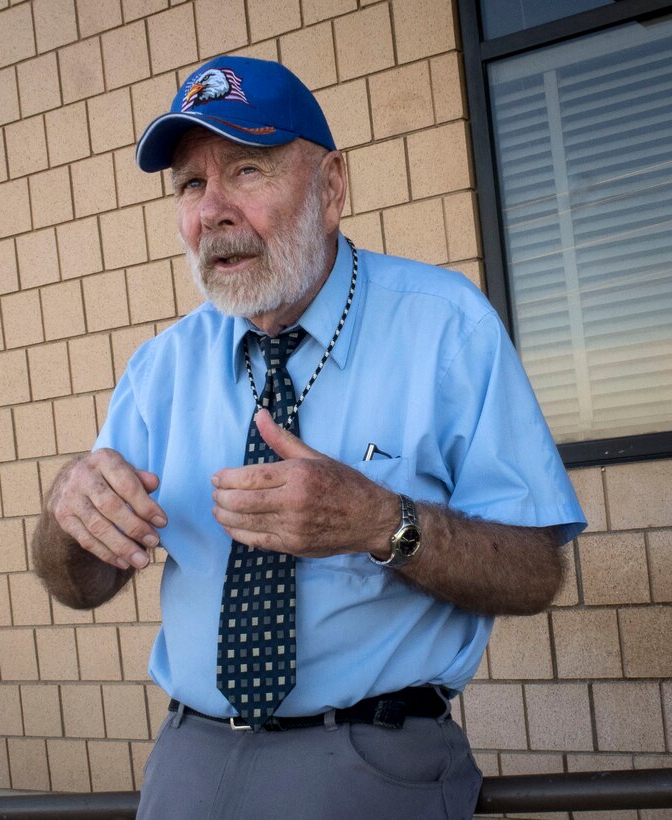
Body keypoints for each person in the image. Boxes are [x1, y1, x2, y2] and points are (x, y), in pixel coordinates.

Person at [32, 56, 586, 819]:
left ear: (331, 189)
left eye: (247, 170)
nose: (213, 211)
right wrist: (69, 512)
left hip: (372, 762)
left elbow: (535, 571)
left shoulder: (445, 327)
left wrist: (380, 523)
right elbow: (80, 582)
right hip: (188, 760)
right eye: (191, 185)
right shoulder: (162, 368)